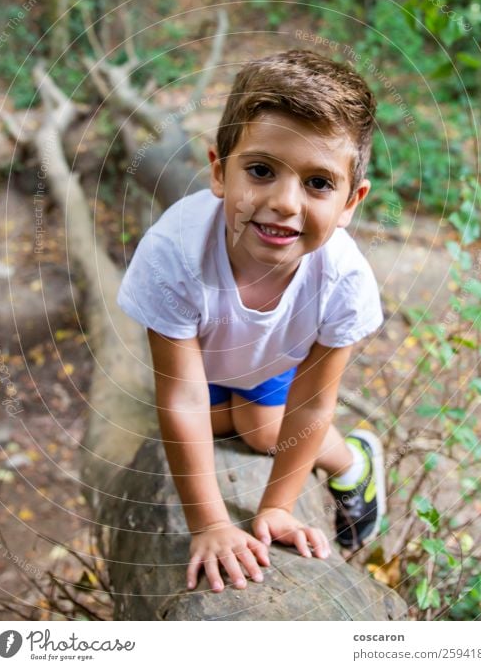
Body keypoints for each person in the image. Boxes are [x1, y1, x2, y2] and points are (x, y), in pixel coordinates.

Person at [117, 49, 386, 593]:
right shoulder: (175, 252)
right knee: (206, 423)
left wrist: (277, 508)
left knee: (264, 427)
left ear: (351, 202)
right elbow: (182, 398)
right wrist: (211, 524)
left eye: (318, 183)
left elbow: (311, 402)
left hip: (271, 362)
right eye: (261, 171)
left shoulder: (343, 280)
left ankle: (352, 460)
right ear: (220, 171)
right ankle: (246, 409)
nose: (285, 202)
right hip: (200, 363)